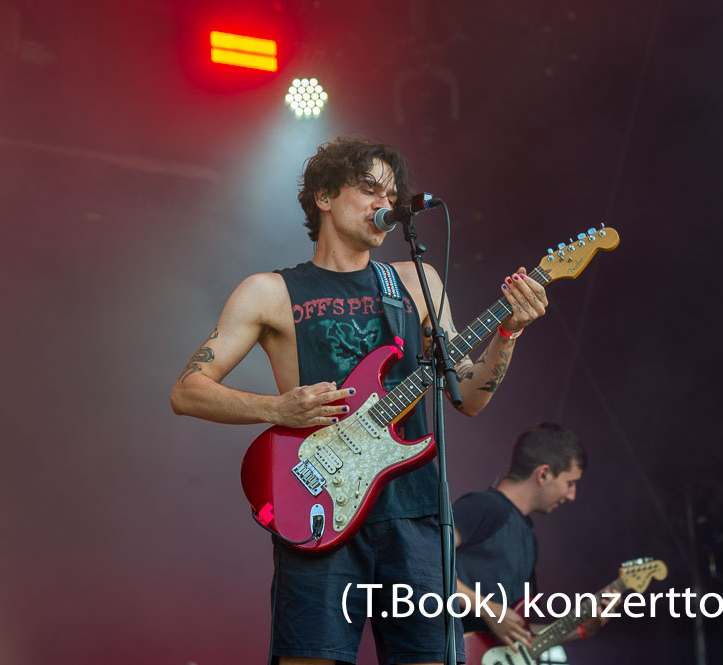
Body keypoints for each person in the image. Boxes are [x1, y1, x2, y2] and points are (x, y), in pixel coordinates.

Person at [169, 137, 549, 665]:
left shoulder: (416, 282)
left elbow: (467, 395)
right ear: (324, 196)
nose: (384, 204)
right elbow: (188, 390)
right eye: (370, 189)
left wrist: (506, 334)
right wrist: (277, 409)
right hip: (318, 510)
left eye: (392, 194)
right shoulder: (269, 292)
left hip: (415, 517)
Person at [454, 422, 610, 652]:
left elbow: (518, 633)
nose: (571, 495)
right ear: (543, 474)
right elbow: (423, 559)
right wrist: (488, 609)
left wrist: (580, 629)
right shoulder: (485, 507)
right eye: (570, 483)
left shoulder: (529, 541)